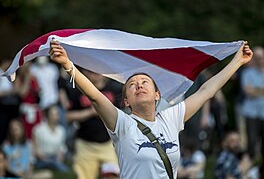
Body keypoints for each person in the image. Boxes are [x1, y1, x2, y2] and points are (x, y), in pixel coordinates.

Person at [49, 39, 252, 178]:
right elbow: (94, 96)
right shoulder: (122, 123)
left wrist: (237, 62)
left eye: (145, 81)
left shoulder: (171, 118)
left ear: (157, 95)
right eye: (132, 84)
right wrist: (68, 64)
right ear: (126, 101)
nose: (139, 85)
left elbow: (206, 91)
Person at [66, 68, 121, 179]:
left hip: (108, 144)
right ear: (85, 72)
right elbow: (68, 117)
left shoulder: (114, 89)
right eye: (91, 71)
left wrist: (104, 112)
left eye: (98, 69)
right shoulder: (78, 90)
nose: (96, 74)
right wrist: (90, 112)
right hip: (85, 144)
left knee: (114, 175)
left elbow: (120, 116)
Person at [240, 46, 264, 178]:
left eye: (261, 57)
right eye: (257, 58)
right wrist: (260, 90)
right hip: (251, 113)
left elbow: (252, 91)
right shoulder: (247, 73)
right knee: (251, 145)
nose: (260, 60)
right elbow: (248, 92)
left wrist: (256, 90)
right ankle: (246, 174)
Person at [32, 104, 68, 172]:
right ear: (47, 115)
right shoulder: (38, 129)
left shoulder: (61, 130)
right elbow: (34, 148)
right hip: (42, 158)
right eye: (53, 114)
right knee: (50, 163)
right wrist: (43, 157)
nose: (56, 116)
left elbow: (62, 147)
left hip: (55, 157)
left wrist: (61, 156)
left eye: (57, 114)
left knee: (56, 164)